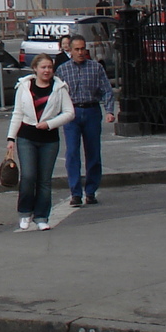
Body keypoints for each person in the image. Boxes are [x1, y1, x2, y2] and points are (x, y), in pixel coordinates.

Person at [7, 52, 74, 230]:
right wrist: (11, 138)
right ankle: (24, 212)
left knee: (44, 179)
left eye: (50, 67)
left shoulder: (59, 88)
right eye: (43, 67)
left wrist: (50, 124)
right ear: (35, 69)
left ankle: (42, 216)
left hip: (49, 139)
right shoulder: (24, 86)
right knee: (28, 176)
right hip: (26, 136)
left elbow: (69, 113)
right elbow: (17, 113)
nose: (47, 71)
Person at [57, 34, 116, 206]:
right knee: (72, 153)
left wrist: (109, 111)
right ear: (71, 50)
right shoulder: (63, 70)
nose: (80, 52)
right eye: (77, 49)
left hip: (91, 111)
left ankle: (90, 191)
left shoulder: (96, 68)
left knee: (93, 153)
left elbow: (107, 90)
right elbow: (57, 94)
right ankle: (75, 193)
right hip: (72, 113)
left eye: (83, 49)